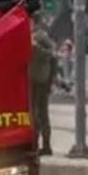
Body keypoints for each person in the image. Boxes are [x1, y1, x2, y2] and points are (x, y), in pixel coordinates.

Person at [30, 18, 57, 156]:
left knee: (38, 114)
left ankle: (42, 145)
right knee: (38, 114)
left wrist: (35, 47)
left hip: (38, 81)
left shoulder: (39, 36)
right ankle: (40, 145)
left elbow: (51, 55)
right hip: (36, 80)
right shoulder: (35, 36)